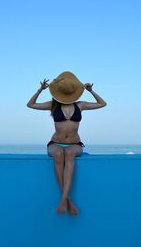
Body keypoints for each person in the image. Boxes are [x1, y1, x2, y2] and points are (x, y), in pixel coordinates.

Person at [27, 71, 107, 215]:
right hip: (55, 143)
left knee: (69, 153)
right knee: (59, 153)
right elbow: (30, 104)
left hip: (75, 145)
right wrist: (40, 90)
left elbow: (102, 103)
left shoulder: (80, 105)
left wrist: (91, 91)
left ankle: (63, 199)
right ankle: (67, 199)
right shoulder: (53, 105)